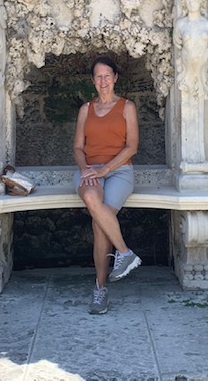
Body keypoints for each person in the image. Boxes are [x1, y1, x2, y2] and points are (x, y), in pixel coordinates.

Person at [73, 56, 141, 314]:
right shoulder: (86, 109)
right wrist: (86, 169)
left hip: (119, 171)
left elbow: (132, 147)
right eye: (98, 76)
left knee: (99, 222)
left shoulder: (127, 107)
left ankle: (100, 289)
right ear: (93, 80)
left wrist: (105, 169)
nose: (103, 81)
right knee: (92, 198)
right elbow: (78, 147)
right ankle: (124, 252)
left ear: (115, 78)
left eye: (107, 76)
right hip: (90, 170)